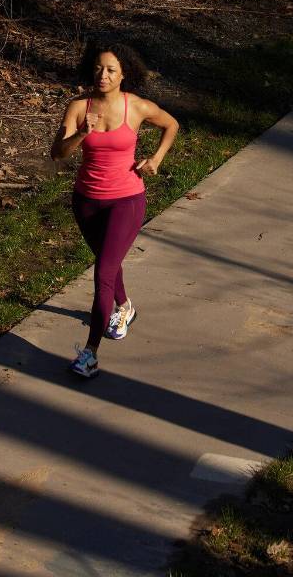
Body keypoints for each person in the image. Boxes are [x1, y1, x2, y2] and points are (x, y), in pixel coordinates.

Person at [50, 37, 179, 377]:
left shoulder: (136, 106)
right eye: (98, 68)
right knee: (108, 261)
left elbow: (171, 124)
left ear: (123, 74)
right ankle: (125, 306)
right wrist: (80, 135)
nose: (102, 75)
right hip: (86, 201)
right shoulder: (78, 107)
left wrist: (156, 159)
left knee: (104, 271)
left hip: (126, 199)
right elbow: (57, 153)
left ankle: (90, 353)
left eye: (110, 70)